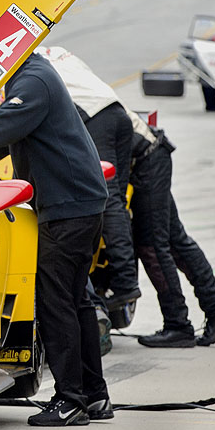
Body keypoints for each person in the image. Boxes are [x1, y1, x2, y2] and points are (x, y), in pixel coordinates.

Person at [0, 52, 111, 427]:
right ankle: (94, 395)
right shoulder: (31, 76)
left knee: (56, 304)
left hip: (68, 209)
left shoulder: (33, 81)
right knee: (76, 301)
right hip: (79, 204)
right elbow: (3, 139)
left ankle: (70, 400)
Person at [39, 46, 141, 310]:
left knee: (108, 200)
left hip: (94, 117)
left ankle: (126, 283)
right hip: (117, 111)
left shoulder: (22, 67)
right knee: (117, 199)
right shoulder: (55, 51)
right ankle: (124, 279)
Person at [128, 113, 215, 347]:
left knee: (153, 245)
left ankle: (178, 325)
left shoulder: (79, 105)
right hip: (151, 156)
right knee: (174, 239)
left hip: (147, 162)